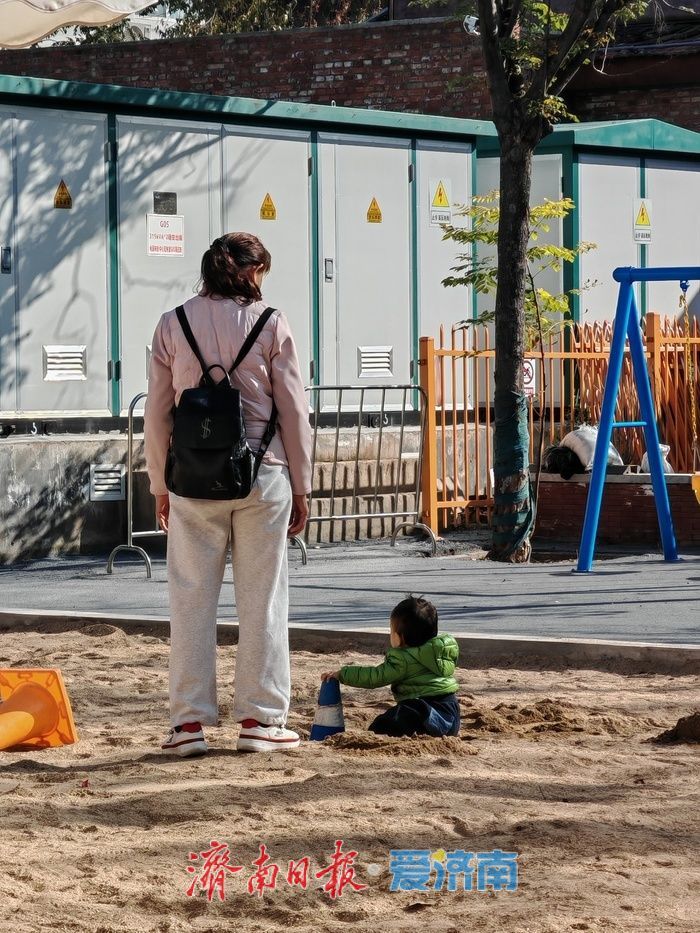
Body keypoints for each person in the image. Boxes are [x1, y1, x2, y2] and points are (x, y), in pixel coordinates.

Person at [144, 232, 312, 756]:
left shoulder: (172, 323)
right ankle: (261, 720)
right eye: (261, 271)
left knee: (190, 601)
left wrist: (159, 484)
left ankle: (187, 725)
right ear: (251, 271)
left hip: (192, 480)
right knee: (262, 600)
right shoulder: (271, 324)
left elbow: (157, 414)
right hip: (265, 475)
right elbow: (293, 411)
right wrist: (303, 487)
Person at [321, 596, 460, 737]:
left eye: (391, 630)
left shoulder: (403, 659)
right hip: (451, 714)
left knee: (388, 720)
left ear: (400, 638)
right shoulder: (440, 653)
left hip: (426, 714)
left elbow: (376, 676)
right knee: (403, 711)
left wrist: (343, 674)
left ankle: (376, 734)